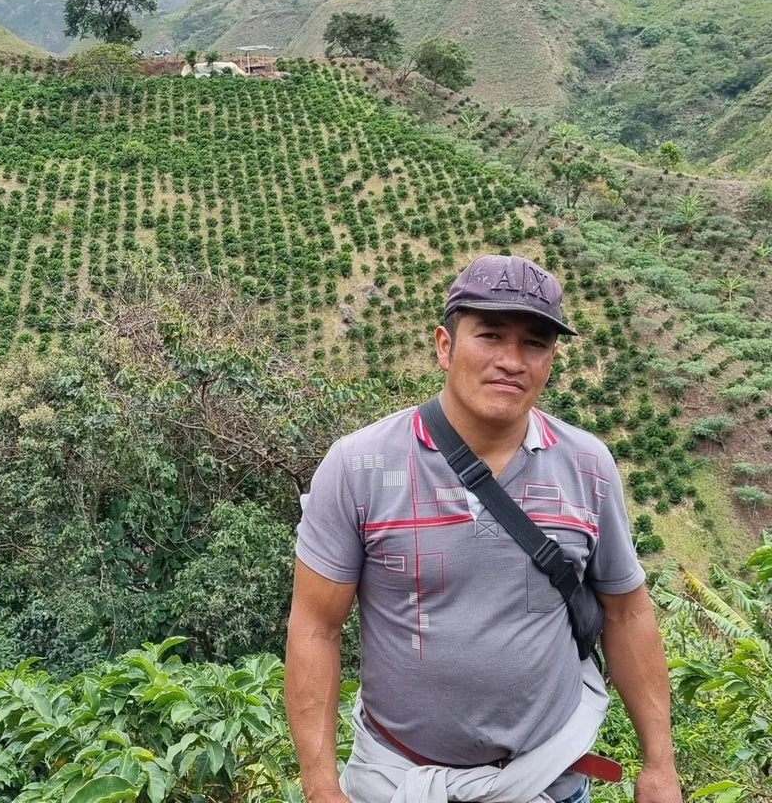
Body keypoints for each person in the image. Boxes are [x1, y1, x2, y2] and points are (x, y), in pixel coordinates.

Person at [285, 254, 682, 803]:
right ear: (444, 347)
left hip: (547, 782)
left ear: (551, 359)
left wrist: (659, 765)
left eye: (535, 344)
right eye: (490, 335)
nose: (511, 361)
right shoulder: (358, 466)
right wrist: (321, 786)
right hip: (399, 781)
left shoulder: (588, 466)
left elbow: (628, 611)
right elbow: (315, 627)